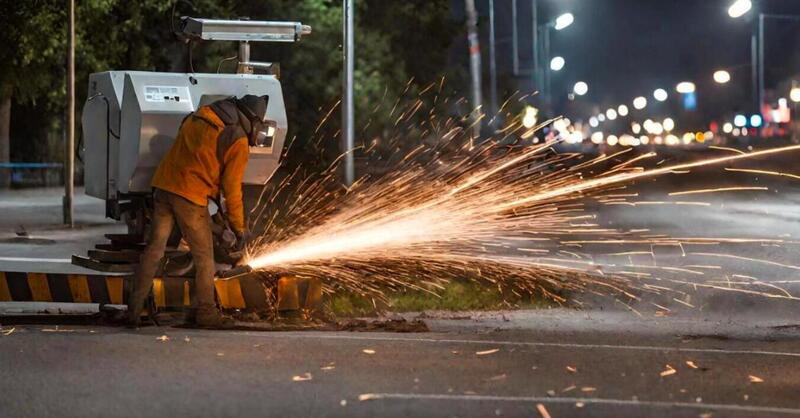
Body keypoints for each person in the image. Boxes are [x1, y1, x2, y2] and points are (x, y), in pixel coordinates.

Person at [127, 95, 271, 328]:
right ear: (253, 121)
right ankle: (207, 314)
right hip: (189, 195)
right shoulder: (238, 140)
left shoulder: (202, 114)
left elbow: (199, 160)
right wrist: (239, 228)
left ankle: (133, 311)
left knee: (154, 250)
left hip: (164, 187)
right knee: (204, 257)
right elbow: (232, 190)